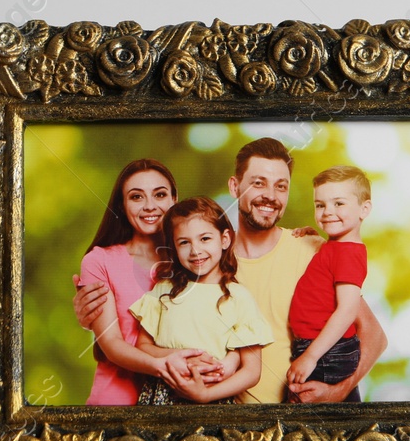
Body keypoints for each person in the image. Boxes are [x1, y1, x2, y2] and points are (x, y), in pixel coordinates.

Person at [74, 136, 386, 402]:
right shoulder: (205, 261)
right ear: (235, 186)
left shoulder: (312, 250)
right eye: (258, 183)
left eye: (281, 186)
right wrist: (90, 320)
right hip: (229, 424)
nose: (270, 196)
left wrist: (338, 392)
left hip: (293, 416)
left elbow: (372, 335)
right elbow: (156, 321)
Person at [71, 160, 222, 404]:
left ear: (174, 199)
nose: (149, 206)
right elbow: (111, 343)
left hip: (183, 403)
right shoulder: (99, 261)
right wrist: (162, 365)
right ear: (122, 205)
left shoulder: (196, 257)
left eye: (160, 194)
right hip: (118, 402)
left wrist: (305, 235)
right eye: (136, 197)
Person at [127, 197, 273, 403]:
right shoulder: (163, 290)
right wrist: (178, 356)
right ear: (174, 248)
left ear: (224, 240)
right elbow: (143, 346)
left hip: (215, 398)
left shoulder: (239, 298)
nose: (195, 250)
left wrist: (206, 395)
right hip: (162, 398)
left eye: (205, 239)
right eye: (184, 242)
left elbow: (251, 371)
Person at [285, 166, 371, 402]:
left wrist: (311, 356)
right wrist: (319, 237)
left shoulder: (348, 254)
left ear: (364, 209)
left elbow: (347, 310)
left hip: (326, 352)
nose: (327, 212)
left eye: (339, 204)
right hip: (323, 349)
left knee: (311, 414)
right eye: (320, 205)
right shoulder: (337, 247)